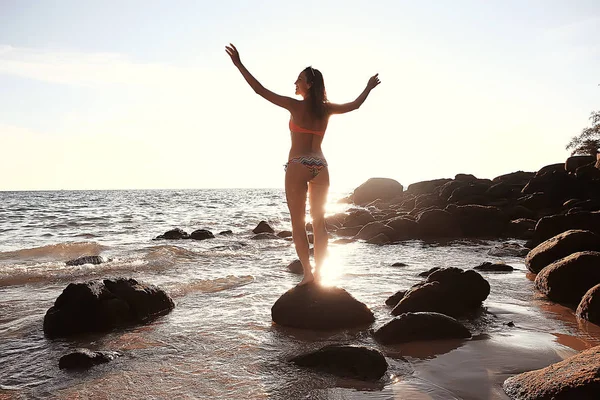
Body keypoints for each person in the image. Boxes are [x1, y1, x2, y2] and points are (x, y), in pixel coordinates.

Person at [225, 43, 380, 285]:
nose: (294, 83)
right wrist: (368, 87)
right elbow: (356, 105)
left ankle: (308, 275)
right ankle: (320, 274)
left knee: (298, 224)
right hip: (320, 165)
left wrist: (239, 64)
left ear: (309, 84)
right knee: (319, 224)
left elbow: (259, 90)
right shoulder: (326, 110)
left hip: (297, 164)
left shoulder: (295, 105)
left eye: (299, 80)